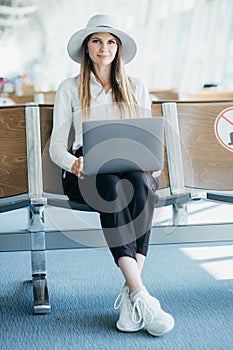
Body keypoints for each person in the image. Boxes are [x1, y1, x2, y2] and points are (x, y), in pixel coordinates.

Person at [49, 14, 174, 337]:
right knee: (110, 185)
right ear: (86, 49)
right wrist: (73, 163)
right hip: (86, 171)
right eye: (96, 41)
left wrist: (153, 161)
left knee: (142, 183)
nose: (104, 48)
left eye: (110, 42)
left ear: (117, 49)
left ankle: (135, 293)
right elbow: (55, 148)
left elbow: (150, 138)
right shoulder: (69, 88)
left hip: (131, 166)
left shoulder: (136, 87)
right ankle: (141, 294)